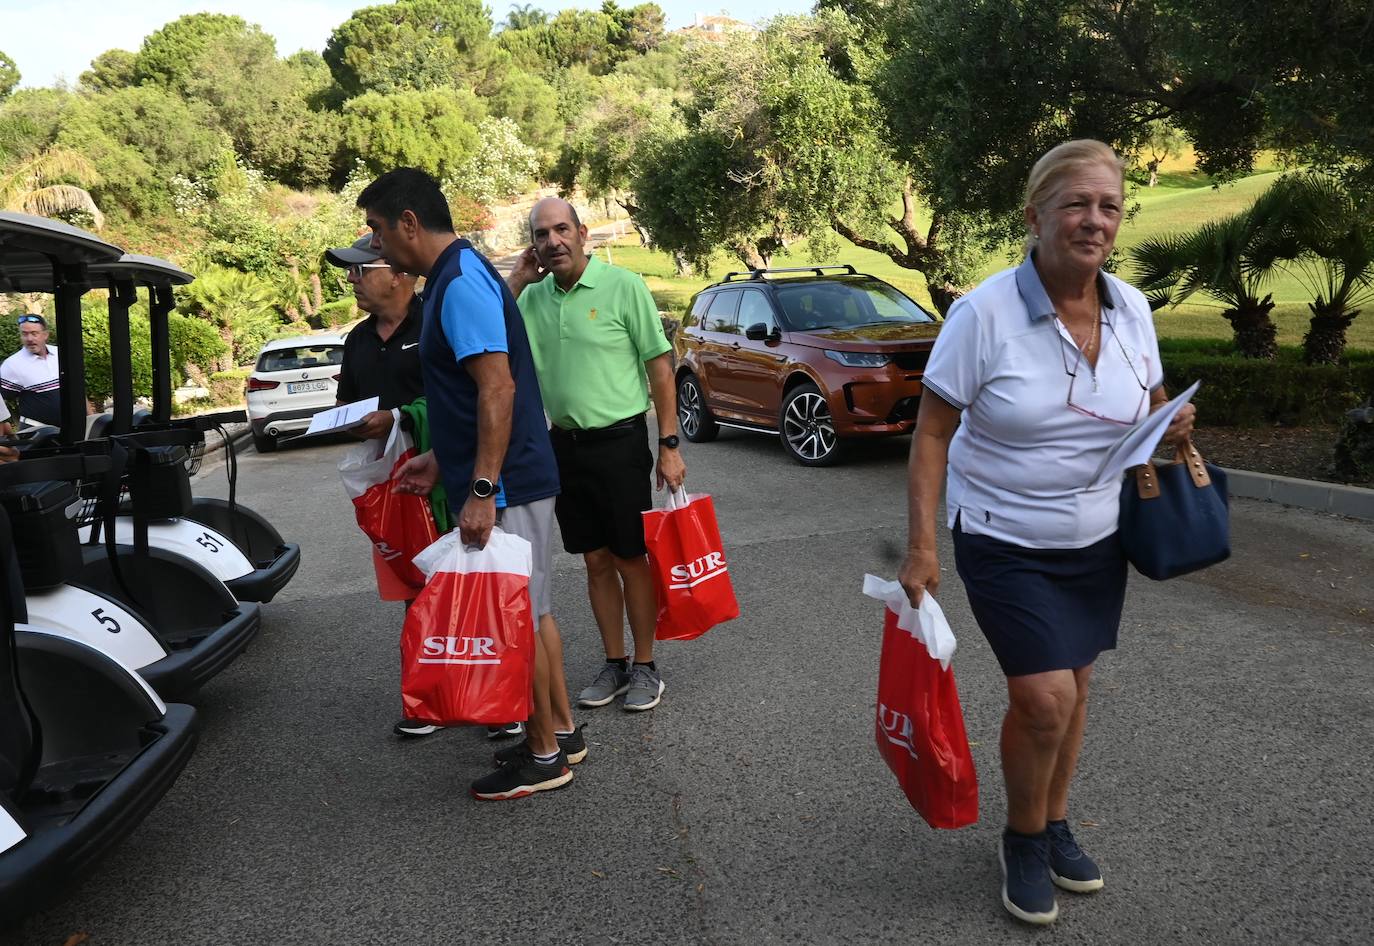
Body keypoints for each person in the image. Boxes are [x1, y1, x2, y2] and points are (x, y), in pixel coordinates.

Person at [898, 140, 1196, 925]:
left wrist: (1170, 422)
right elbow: (932, 433)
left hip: (1098, 536)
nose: (1093, 221)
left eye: (1108, 206)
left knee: (1078, 686)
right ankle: (1023, 838)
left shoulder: (1131, 308)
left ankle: (1055, 819)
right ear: (1035, 217)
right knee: (1043, 698)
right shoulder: (984, 314)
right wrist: (923, 544)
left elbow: (1150, 394)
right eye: (1076, 205)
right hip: (1002, 534)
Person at [359, 167, 583, 800]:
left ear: (409, 223)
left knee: (521, 617)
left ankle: (544, 756)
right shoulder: (461, 274)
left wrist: (481, 490)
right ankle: (560, 733)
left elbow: (498, 387)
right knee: (532, 613)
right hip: (504, 476)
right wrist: (441, 458)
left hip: (508, 483)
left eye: (377, 229)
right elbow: (470, 394)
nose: (376, 244)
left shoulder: (458, 284)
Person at [505, 197, 686, 713]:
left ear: (582, 233)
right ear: (533, 245)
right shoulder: (532, 298)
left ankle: (646, 666)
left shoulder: (622, 287)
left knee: (631, 558)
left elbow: (660, 368)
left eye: (561, 229)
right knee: (594, 560)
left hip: (621, 442)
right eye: (542, 234)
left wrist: (668, 444)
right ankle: (615, 662)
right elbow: (489, 328)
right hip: (564, 446)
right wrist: (517, 279)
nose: (553, 241)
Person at [1, 315, 60, 428]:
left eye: (34, 333)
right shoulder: (11, 365)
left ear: (45, 335)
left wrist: (90, 417)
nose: (29, 339)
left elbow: (77, 388)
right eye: (24, 334)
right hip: (35, 433)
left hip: (69, 428)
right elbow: (2, 400)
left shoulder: (60, 354)